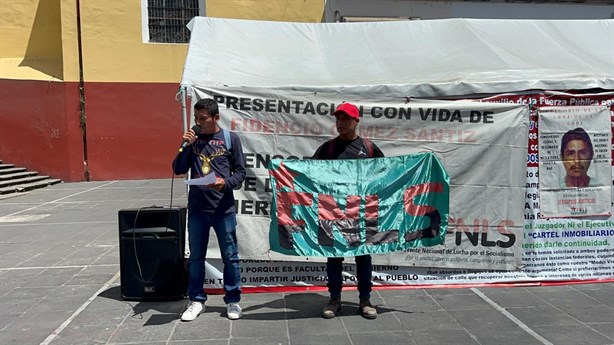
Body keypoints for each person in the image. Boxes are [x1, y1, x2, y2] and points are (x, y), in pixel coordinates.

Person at [173, 98, 246, 321]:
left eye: (202, 119)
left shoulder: (229, 139)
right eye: (196, 118)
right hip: (197, 210)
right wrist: (184, 145)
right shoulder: (193, 141)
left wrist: (225, 182)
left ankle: (232, 300)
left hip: (223, 209)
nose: (198, 123)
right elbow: (178, 169)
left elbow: (240, 174)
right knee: (196, 257)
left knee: (230, 257)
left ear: (216, 118)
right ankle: (196, 300)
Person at [312, 102, 384, 320]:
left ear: (357, 121)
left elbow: (386, 175)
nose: (341, 123)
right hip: (333, 213)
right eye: (338, 119)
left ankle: (365, 300)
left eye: (345, 119)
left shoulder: (369, 148)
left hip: (362, 213)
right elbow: (310, 174)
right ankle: (334, 300)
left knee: (363, 257)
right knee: (334, 258)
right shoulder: (328, 149)